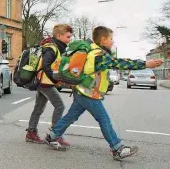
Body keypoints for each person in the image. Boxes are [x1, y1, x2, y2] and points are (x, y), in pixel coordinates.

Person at [45, 26, 164, 160]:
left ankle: (53, 136)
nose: (112, 42)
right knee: (104, 119)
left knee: (71, 116)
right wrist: (145, 64)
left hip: (82, 90)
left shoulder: (94, 52)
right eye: (111, 39)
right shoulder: (98, 55)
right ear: (103, 40)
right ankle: (117, 148)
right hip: (88, 93)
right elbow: (119, 63)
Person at [25, 24, 72, 145]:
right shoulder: (51, 48)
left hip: (44, 82)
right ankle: (55, 134)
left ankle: (31, 132)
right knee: (60, 106)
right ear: (59, 36)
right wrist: (55, 79)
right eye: (67, 37)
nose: (69, 39)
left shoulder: (55, 47)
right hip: (46, 83)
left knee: (38, 108)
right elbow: (46, 65)